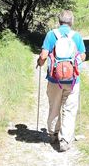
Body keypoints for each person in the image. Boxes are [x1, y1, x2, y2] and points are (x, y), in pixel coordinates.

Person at [36, 10, 86, 152]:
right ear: (72, 22)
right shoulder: (76, 36)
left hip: (54, 79)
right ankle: (65, 140)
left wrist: (39, 62)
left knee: (54, 106)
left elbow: (44, 55)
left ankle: (53, 134)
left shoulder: (51, 35)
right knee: (69, 110)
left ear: (59, 21)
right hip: (72, 80)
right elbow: (82, 56)